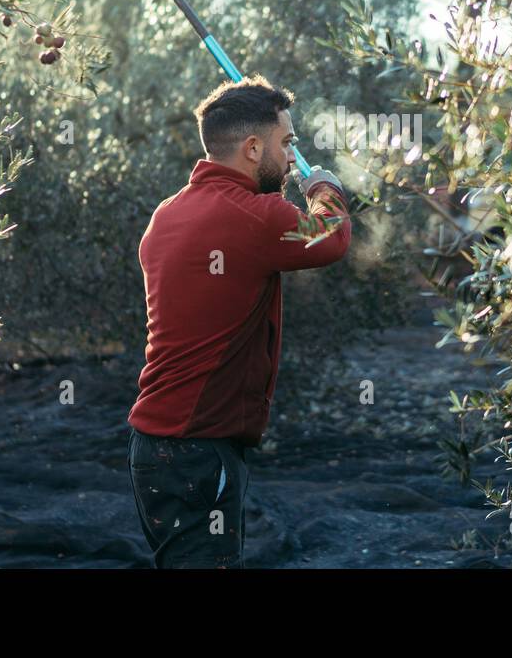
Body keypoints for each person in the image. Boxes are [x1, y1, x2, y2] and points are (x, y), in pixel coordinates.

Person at [126, 75, 351, 568]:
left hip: (155, 449)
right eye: (286, 143)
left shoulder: (167, 213)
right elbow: (329, 237)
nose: (292, 156)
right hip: (197, 451)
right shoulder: (254, 215)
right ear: (253, 147)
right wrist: (326, 188)